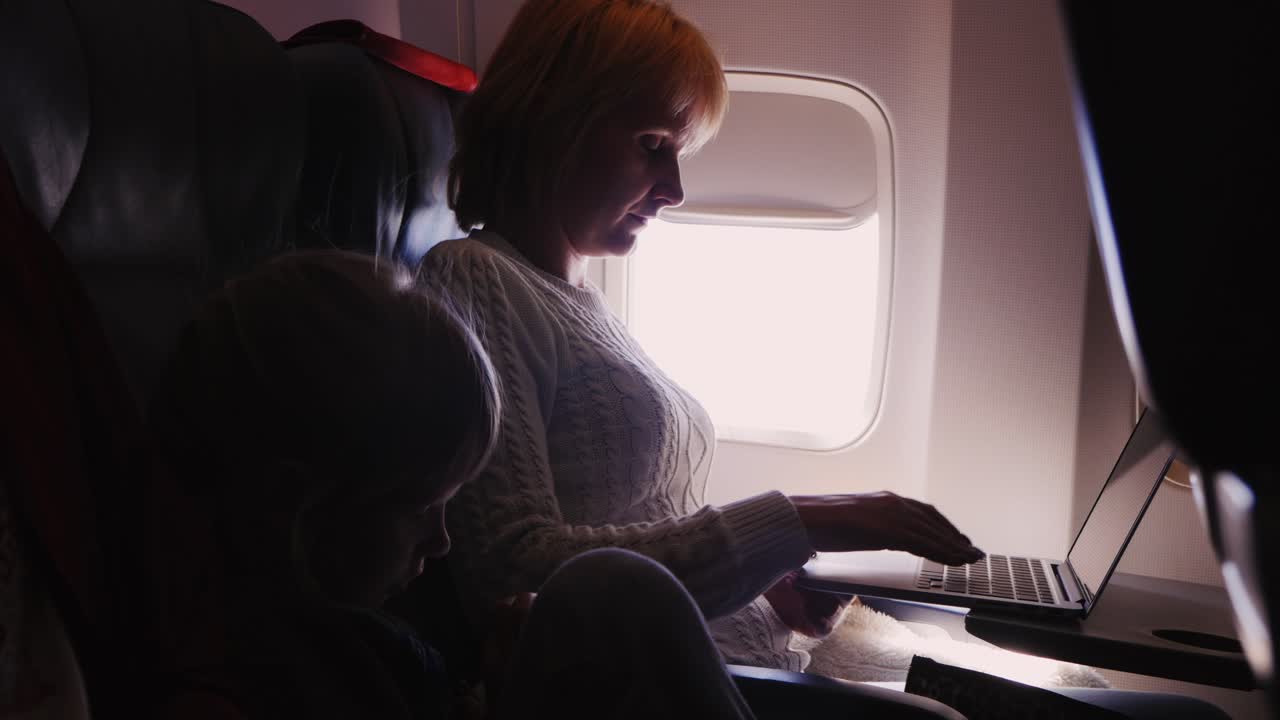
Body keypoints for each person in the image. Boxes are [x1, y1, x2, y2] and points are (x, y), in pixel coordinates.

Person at [424, 0, 983, 673]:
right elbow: (511, 567)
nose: (676, 189)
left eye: (679, 152)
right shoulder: (475, 280)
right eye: (653, 145)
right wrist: (800, 520)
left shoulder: (583, 304)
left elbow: (640, 523)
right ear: (553, 120)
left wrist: (763, 576)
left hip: (742, 660)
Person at [145, 251, 761, 719]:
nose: (442, 542)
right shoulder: (243, 686)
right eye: (421, 507)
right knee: (617, 590)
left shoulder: (353, 644)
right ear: (291, 505)